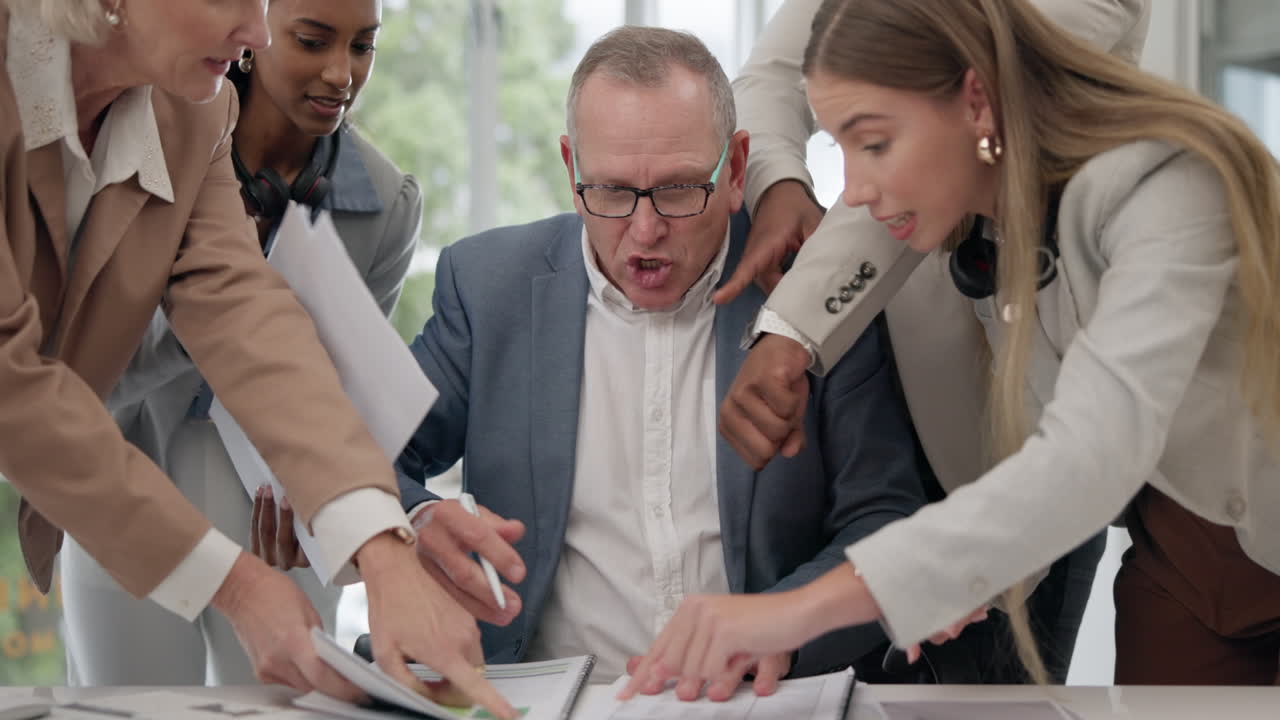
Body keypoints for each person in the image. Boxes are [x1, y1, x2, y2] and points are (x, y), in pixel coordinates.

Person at [623, 0, 1280, 693]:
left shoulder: (1167, 185)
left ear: (976, 101)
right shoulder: (1009, 239)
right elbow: (1042, 454)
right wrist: (957, 582)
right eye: (840, 148)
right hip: (1188, 546)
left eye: (873, 145)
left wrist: (792, 615)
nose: (854, 192)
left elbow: (1088, 457)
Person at [254, 25, 929, 696]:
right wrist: (419, 523)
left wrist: (780, 629)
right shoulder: (492, 290)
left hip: (757, 701)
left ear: (736, 169)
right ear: (571, 169)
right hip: (540, 697)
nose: (645, 231)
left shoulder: (811, 292)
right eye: (610, 191)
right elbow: (366, 452)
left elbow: (883, 519)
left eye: (679, 189)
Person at [0, 1, 510, 715]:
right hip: (114, 480)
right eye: (238, 1)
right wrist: (237, 584)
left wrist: (383, 541)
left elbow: (246, 311)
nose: (255, 35)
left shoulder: (194, 113)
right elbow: (12, 386)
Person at [714, 0, 1152, 684]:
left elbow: (939, 125)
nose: (852, 185)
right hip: (879, 378)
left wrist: (792, 329)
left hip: (1030, 401)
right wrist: (781, 184)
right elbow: (775, 71)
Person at [60, 0, 422, 687]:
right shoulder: (147, 138)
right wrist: (209, 304)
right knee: (124, 704)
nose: (341, 73)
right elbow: (75, 380)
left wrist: (335, 507)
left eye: (363, 47)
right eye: (313, 41)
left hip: (279, 505)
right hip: (132, 477)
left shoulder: (386, 202)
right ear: (256, 37)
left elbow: (345, 389)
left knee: (287, 703)